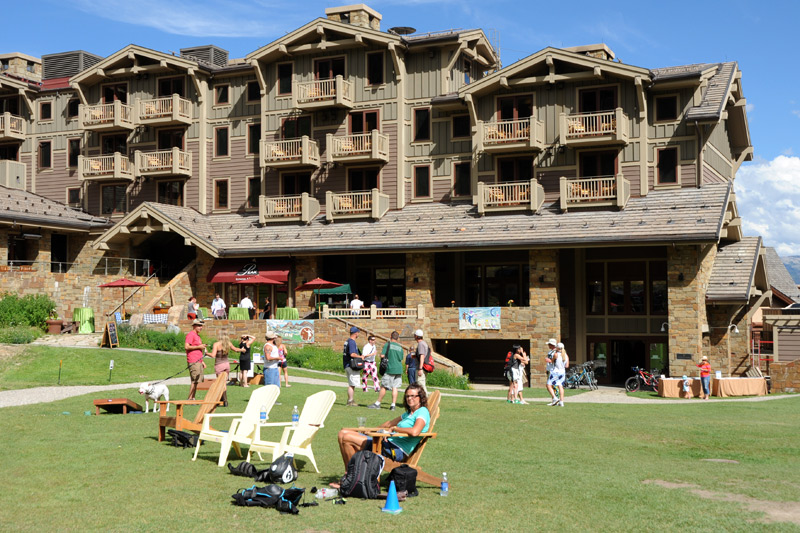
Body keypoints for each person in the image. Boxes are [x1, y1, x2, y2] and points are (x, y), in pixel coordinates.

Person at [336, 383, 431, 469]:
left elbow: (415, 432)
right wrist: (372, 431)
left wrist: (395, 429)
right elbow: (389, 423)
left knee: (347, 438)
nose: (409, 398)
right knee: (342, 433)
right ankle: (351, 475)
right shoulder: (409, 413)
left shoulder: (422, 411)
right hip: (386, 444)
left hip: (395, 450)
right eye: (407, 396)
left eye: (413, 396)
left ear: (420, 397)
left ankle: (351, 477)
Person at [369, 330, 405, 411]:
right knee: (395, 387)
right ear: (397, 338)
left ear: (390, 337)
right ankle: (393, 405)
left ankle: (377, 403)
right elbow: (401, 358)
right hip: (398, 369)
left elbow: (382, 355)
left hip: (390, 368)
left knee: (384, 387)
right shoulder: (400, 347)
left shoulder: (388, 344)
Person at [209, 328, 236, 407]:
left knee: (221, 383)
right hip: (227, 364)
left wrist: (206, 353)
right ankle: (221, 399)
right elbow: (235, 349)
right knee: (223, 382)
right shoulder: (228, 343)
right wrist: (242, 350)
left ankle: (225, 400)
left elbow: (213, 355)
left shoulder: (216, 344)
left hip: (219, 365)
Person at [184, 319, 207, 400]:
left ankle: (193, 397)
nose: (201, 327)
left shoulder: (197, 336)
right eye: (199, 326)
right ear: (194, 326)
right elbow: (186, 346)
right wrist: (199, 346)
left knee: (197, 380)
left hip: (199, 360)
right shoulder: (191, 335)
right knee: (194, 380)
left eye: (201, 326)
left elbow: (199, 350)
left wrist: (202, 361)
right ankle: (190, 398)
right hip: (193, 360)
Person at [344, 326, 363, 406]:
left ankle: (350, 400)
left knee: (351, 384)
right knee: (352, 384)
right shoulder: (352, 342)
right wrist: (360, 357)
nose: (358, 334)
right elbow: (352, 354)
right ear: (355, 333)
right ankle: (350, 401)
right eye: (358, 332)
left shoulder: (347, 341)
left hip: (347, 365)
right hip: (351, 365)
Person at [546, 341, 569, 407]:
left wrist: (548, 360)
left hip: (555, 372)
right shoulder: (566, 355)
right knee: (560, 386)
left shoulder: (556, 354)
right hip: (562, 372)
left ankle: (555, 398)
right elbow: (567, 366)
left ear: (557, 348)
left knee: (548, 385)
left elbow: (551, 362)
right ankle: (561, 402)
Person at [413, 329, 431, 394]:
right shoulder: (424, 343)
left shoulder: (421, 344)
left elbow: (422, 356)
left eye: (415, 335)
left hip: (421, 368)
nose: (414, 336)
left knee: (421, 385)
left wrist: (420, 368)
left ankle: (426, 401)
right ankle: (422, 401)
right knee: (420, 385)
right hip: (424, 367)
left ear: (417, 336)